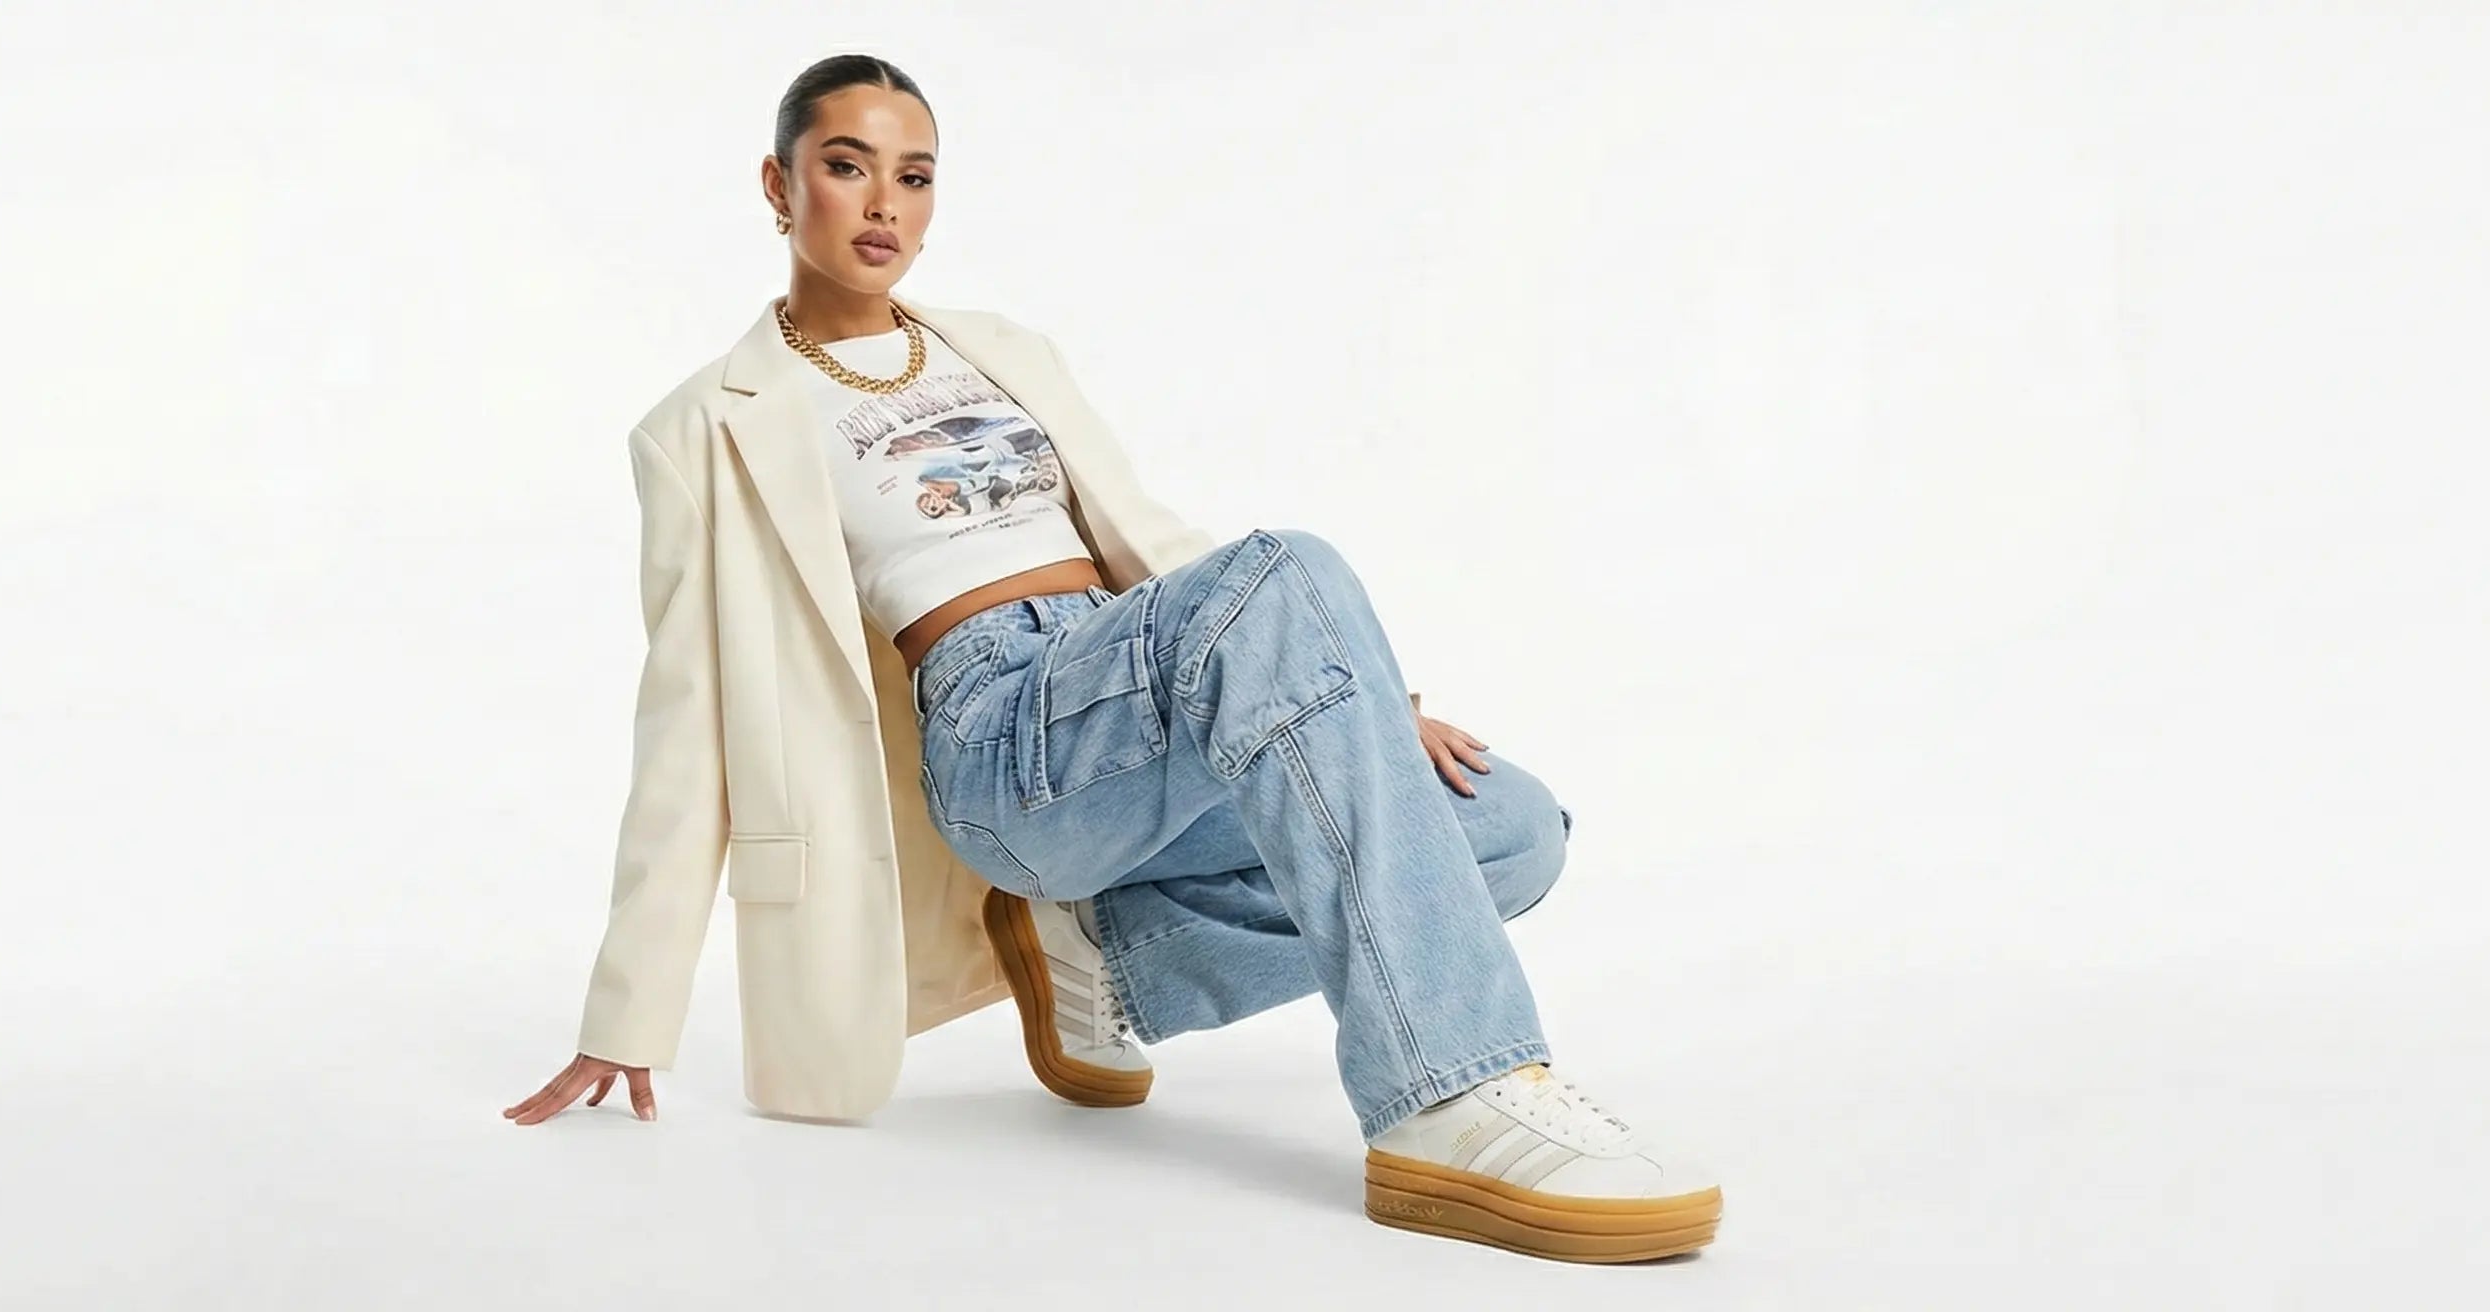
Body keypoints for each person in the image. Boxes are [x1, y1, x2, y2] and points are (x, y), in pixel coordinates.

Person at [501, 53, 1720, 1263]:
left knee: (1512, 828)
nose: (884, 204)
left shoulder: (999, 349)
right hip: (1000, 734)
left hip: (1127, 681)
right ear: (779, 185)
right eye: (847, 166)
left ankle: (1105, 961)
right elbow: (687, 716)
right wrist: (629, 1012)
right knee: (1286, 564)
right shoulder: (704, 425)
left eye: (914, 176)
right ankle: (1449, 1094)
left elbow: (1153, 542)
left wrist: (1353, 694)